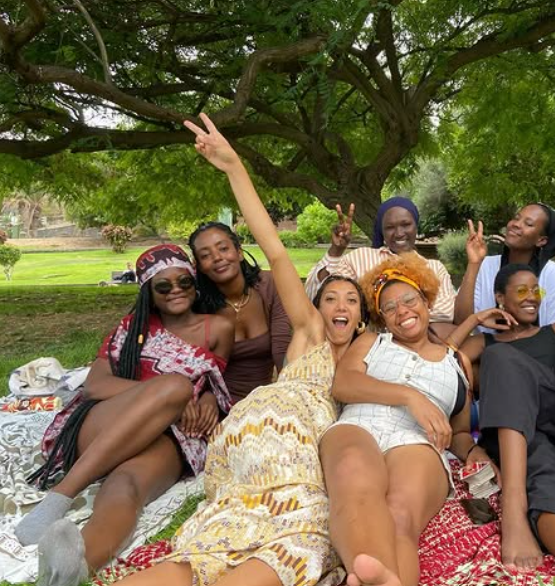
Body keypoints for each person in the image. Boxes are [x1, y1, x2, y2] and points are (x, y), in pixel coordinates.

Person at [115, 113, 368, 586]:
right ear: (316, 308)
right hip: (274, 424)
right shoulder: (310, 334)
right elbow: (274, 251)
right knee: (295, 531)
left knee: (211, 542)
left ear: (361, 319)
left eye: (351, 301)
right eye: (329, 296)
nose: (338, 304)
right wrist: (234, 168)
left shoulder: (370, 358)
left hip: (248, 441)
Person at [16, 244, 234, 586]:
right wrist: (164, 397)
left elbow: (212, 378)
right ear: (149, 291)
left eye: (184, 282)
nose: (175, 290)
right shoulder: (134, 326)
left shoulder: (218, 328)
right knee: (176, 386)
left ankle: (76, 566)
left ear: (195, 283)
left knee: (128, 486)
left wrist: (205, 397)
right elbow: (95, 386)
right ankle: (60, 497)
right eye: (163, 286)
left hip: (169, 435)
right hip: (106, 421)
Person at [319, 253, 498, 586]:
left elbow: (458, 431)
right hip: (359, 424)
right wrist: (410, 396)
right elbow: (344, 385)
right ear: (383, 319)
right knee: (353, 477)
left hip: (417, 441)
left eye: (409, 300)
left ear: (426, 301)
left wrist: (473, 453)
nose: (402, 311)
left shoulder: (457, 361)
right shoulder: (372, 342)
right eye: (389, 308)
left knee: (400, 513)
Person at [446, 264, 555, 586]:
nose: (531, 298)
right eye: (521, 291)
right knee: (545, 475)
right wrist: (474, 321)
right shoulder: (485, 342)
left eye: (535, 290)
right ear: (500, 297)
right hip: (524, 436)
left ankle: (512, 507)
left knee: (501, 359)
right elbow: (444, 362)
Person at [304, 197, 457, 323]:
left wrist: (396, 321)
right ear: (381, 231)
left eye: (406, 224)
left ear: (416, 226)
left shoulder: (434, 268)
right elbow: (317, 296)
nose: (399, 233)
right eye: (390, 227)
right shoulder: (360, 259)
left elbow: (445, 313)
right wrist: (336, 250)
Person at [189, 222, 291, 403]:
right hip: (214, 402)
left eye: (223, 248)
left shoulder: (269, 286)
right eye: (206, 255)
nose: (217, 257)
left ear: (239, 252)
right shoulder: (197, 304)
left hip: (264, 400)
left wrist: (287, 398)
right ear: (198, 266)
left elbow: (282, 351)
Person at [454, 204, 555, 331]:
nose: (516, 224)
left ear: (541, 240)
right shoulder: (485, 266)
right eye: (516, 218)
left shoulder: (550, 273)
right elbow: (460, 321)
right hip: (487, 348)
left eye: (528, 224)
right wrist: (474, 264)